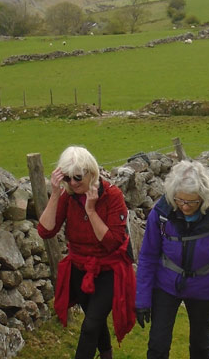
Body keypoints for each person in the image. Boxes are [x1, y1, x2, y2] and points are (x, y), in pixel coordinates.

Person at [37, 146, 136, 359]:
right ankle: (106, 355)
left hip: (108, 270)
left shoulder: (112, 196)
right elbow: (46, 231)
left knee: (90, 325)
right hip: (80, 269)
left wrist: (90, 210)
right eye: (67, 178)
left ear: (91, 173)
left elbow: (111, 242)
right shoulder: (68, 196)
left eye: (78, 178)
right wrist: (55, 194)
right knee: (95, 320)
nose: (72, 183)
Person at [135, 160, 209, 359]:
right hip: (166, 283)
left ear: (203, 197)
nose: (184, 206)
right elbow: (147, 256)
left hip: (204, 287)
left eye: (191, 202)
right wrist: (142, 299)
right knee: (157, 345)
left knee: (200, 346)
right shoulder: (162, 212)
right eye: (180, 200)